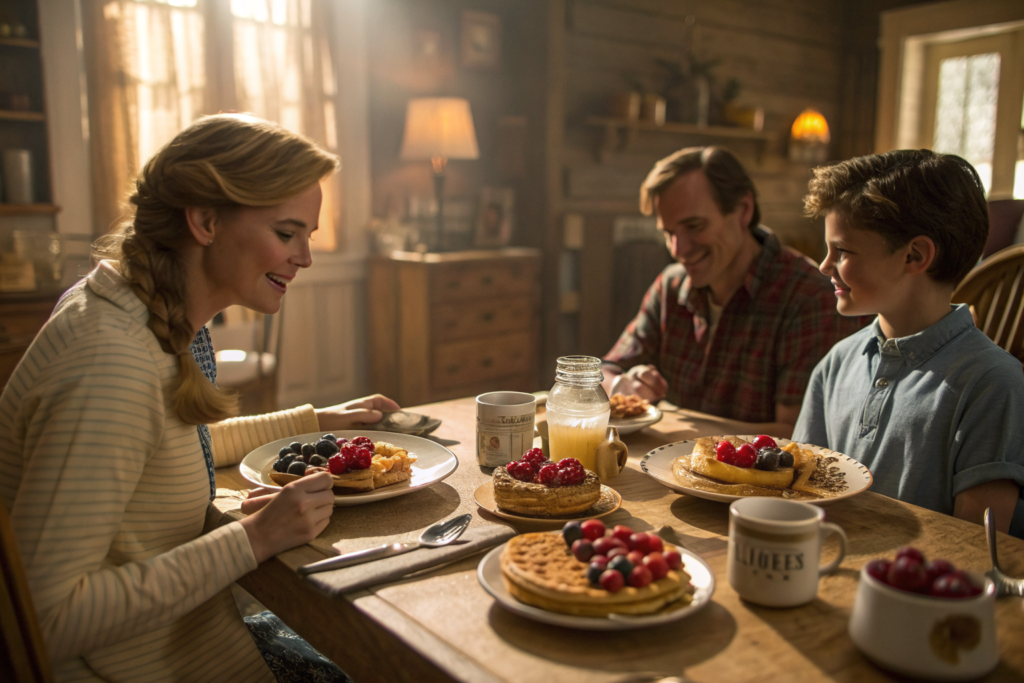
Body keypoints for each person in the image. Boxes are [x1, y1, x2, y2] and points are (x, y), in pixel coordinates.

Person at [0, 113, 399, 681]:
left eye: (307, 236)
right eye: (287, 234)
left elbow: (165, 449)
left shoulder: (145, 310)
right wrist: (253, 538)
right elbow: (44, 621)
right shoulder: (109, 362)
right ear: (206, 221)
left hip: (192, 638)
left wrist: (317, 420)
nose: (304, 258)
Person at [792, 149, 1024, 536]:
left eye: (843, 250)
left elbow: (978, 550)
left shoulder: (993, 383)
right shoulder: (835, 365)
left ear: (915, 255)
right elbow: (796, 499)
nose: (824, 265)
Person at [603, 146, 866, 435]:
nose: (679, 250)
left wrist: (669, 418)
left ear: (743, 210)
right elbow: (602, 372)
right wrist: (620, 386)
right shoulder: (671, 285)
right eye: (669, 234)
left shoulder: (809, 297)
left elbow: (798, 436)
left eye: (694, 226)